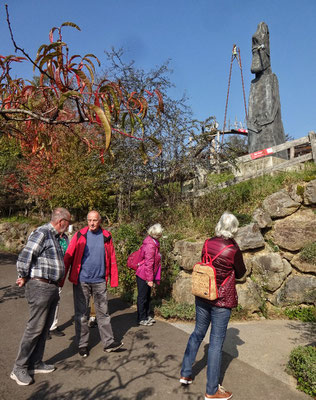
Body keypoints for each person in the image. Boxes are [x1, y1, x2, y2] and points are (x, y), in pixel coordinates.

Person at [180, 212, 246, 400]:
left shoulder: (207, 242)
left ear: (219, 225)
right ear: (234, 228)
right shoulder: (233, 249)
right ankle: (211, 391)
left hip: (203, 295)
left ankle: (185, 372)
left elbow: (206, 262)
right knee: (216, 344)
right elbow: (241, 272)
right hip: (221, 300)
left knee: (197, 333)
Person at [10, 207, 71, 386]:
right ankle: (19, 368)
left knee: (44, 328)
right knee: (35, 328)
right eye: (67, 224)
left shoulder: (55, 236)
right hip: (40, 286)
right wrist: (22, 275)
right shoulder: (43, 232)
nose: (68, 228)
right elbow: (25, 255)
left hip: (51, 287)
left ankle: (35, 363)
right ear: (62, 222)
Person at [63, 210, 123, 357]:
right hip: (82, 280)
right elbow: (68, 256)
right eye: (89, 220)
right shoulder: (80, 235)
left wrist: (113, 279)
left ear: (100, 221)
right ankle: (82, 345)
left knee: (103, 314)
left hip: (100, 281)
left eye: (95, 220)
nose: (92, 223)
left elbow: (112, 258)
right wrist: (60, 278)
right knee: (82, 315)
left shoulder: (106, 236)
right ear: (86, 220)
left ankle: (108, 343)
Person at [136, 223, 162, 326]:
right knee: (142, 297)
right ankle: (141, 318)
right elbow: (149, 263)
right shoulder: (151, 245)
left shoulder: (153, 242)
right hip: (144, 274)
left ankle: (146, 315)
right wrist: (150, 279)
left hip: (146, 273)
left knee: (147, 296)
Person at [47, 230, 69, 339]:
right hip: (47, 275)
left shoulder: (65, 238)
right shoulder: (49, 236)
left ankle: (52, 327)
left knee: (56, 301)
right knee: (45, 302)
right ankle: (43, 329)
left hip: (60, 275)